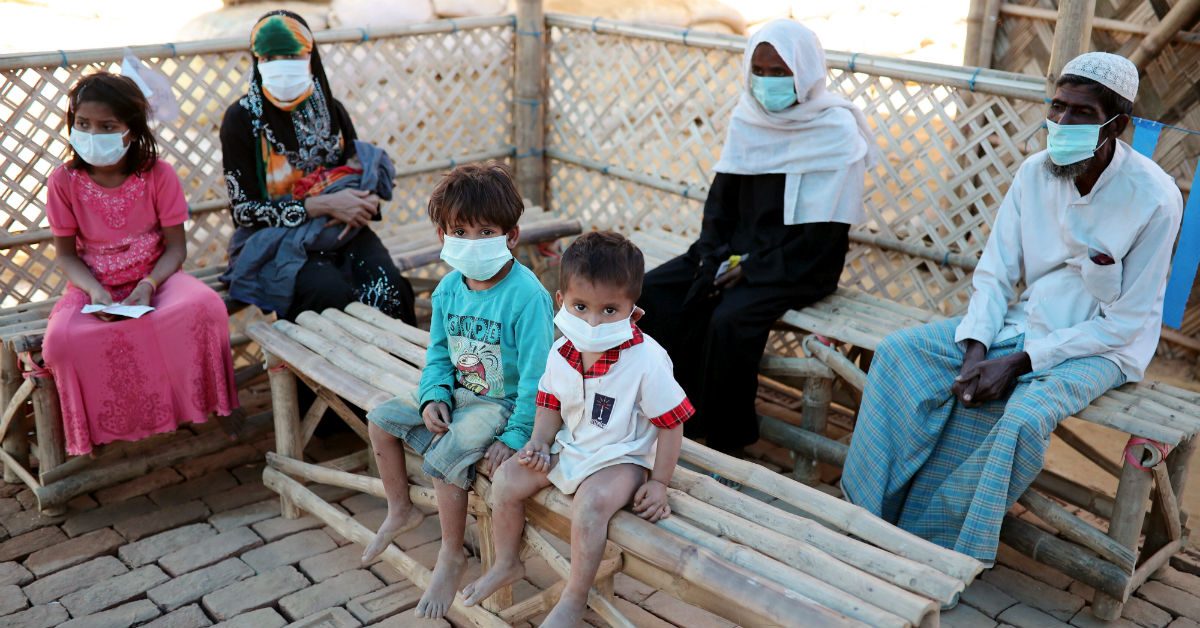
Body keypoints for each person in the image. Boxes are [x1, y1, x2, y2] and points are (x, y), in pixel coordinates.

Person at [841, 52, 1183, 565]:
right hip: (1021, 322)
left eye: (1081, 114)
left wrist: (1019, 363)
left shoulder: (1155, 198)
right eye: (1058, 108)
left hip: (1103, 346)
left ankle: (941, 551)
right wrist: (977, 349)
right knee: (899, 355)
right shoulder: (1033, 173)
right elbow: (997, 271)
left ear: (1119, 125)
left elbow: (1126, 323)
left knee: (1019, 416)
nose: (1062, 123)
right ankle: (868, 514)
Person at [637, 19, 874, 454]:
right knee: (653, 292)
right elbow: (720, 205)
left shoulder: (836, 130)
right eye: (759, 71)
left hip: (798, 263)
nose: (767, 82)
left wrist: (750, 268)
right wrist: (714, 258)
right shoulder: (747, 117)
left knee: (730, 319)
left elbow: (822, 237)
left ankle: (724, 439)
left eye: (780, 72)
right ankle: (663, 414)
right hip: (731, 251)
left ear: (805, 72)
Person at [461, 231, 692, 627]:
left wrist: (659, 483)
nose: (592, 321)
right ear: (561, 301)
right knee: (506, 480)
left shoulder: (647, 360)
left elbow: (672, 424)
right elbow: (550, 403)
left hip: (623, 456)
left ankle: (574, 595)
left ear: (632, 309)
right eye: (581, 306)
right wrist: (538, 442)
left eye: (609, 310)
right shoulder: (561, 351)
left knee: (589, 506)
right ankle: (506, 562)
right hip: (571, 446)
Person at [363, 163, 555, 618]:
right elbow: (438, 353)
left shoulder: (527, 297)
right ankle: (399, 510)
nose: (472, 242)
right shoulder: (449, 288)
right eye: (460, 231)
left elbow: (540, 379)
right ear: (442, 235)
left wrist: (516, 436)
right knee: (380, 420)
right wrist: (434, 395)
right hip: (460, 392)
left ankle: (452, 553)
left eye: (485, 230)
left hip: (502, 403)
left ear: (511, 235)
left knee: (443, 459)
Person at [42, 72, 239, 456]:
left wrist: (147, 285)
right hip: (93, 285)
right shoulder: (62, 183)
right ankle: (94, 432)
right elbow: (66, 257)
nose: (92, 134)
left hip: (158, 279)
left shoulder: (158, 174)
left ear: (131, 131)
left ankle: (215, 406)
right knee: (61, 343)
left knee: (206, 308)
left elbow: (176, 249)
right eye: (83, 124)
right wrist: (96, 293)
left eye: (107, 126)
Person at [219, 10, 414, 323]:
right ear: (256, 61)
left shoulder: (331, 111)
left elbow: (356, 173)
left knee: (387, 287)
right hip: (277, 239)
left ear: (310, 57)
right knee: (327, 297)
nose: (281, 66)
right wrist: (321, 205)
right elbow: (244, 212)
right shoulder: (242, 119)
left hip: (343, 231)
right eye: (269, 58)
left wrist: (367, 198)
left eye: (291, 56)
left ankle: (397, 371)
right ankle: (327, 374)